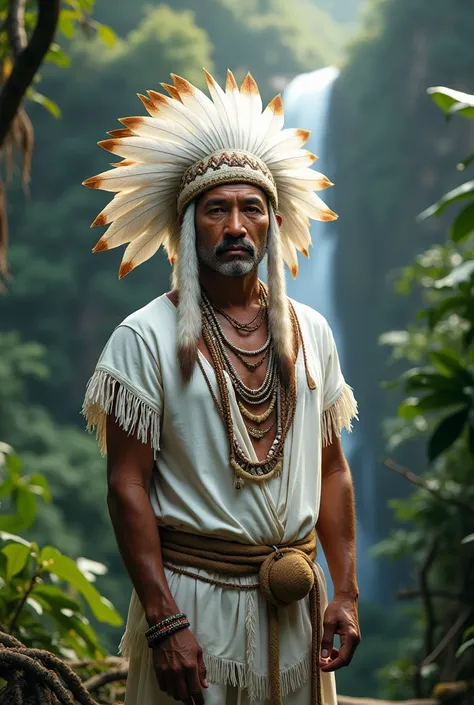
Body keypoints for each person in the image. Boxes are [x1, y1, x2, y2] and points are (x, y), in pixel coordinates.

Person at [82, 69, 360, 705]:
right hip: (194, 611)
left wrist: (343, 591)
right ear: (187, 227)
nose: (235, 224)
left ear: (273, 223)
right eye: (216, 209)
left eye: (250, 208)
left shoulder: (310, 332)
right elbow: (127, 484)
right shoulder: (143, 338)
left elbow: (333, 470)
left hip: (296, 609)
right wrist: (164, 618)